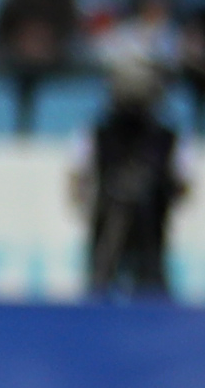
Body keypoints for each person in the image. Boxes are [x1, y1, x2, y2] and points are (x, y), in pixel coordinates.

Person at [79, 64, 189, 297]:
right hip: (106, 225)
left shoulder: (169, 139)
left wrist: (156, 194)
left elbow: (183, 186)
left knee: (150, 281)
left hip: (151, 229)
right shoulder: (95, 134)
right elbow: (79, 181)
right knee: (100, 281)